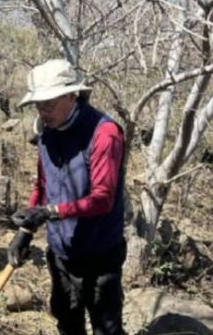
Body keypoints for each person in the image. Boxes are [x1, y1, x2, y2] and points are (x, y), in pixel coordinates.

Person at [7, 59, 127, 335]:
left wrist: (50, 213)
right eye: (38, 105)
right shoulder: (47, 132)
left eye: (48, 104)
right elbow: (42, 182)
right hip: (61, 253)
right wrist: (26, 230)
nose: (42, 111)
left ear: (73, 95)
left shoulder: (104, 133)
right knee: (67, 323)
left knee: (106, 330)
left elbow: (103, 198)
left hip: (100, 254)